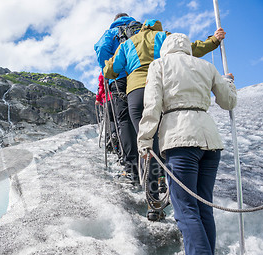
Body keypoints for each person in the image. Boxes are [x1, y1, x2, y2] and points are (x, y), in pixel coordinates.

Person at [137, 33, 237, 255]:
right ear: (188, 48)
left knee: (185, 210)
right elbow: (228, 102)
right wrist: (230, 84)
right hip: (210, 141)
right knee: (204, 208)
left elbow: (153, 104)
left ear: (166, 49)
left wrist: (145, 141)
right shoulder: (206, 66)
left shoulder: (160, 65)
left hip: (180, 139)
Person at [103, 19, 226, 220]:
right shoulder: (164, 37)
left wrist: (111, 64)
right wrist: (214, 40)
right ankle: (169, 187)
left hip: (135, 94)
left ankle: (153, 203)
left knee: (149, 145)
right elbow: (192, 48)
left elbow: (110, 70)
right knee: (166, 144)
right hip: (161, 90)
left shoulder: (128, 43)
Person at [94, 13, 140, 183]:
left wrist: (109, 70)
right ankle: (155, 170)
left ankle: (131, 169)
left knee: (124, 120)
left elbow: (101, 51)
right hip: (140, 76)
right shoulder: (139, 29)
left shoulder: (111, 32)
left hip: (119, 79)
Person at [95, 72, 120, 156]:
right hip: (118, 98)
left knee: (110, 120)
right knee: (119, 119)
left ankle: (112, 136)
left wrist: (98, 99)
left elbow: (101, 87)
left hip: (107, 99)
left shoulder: (103, 72)